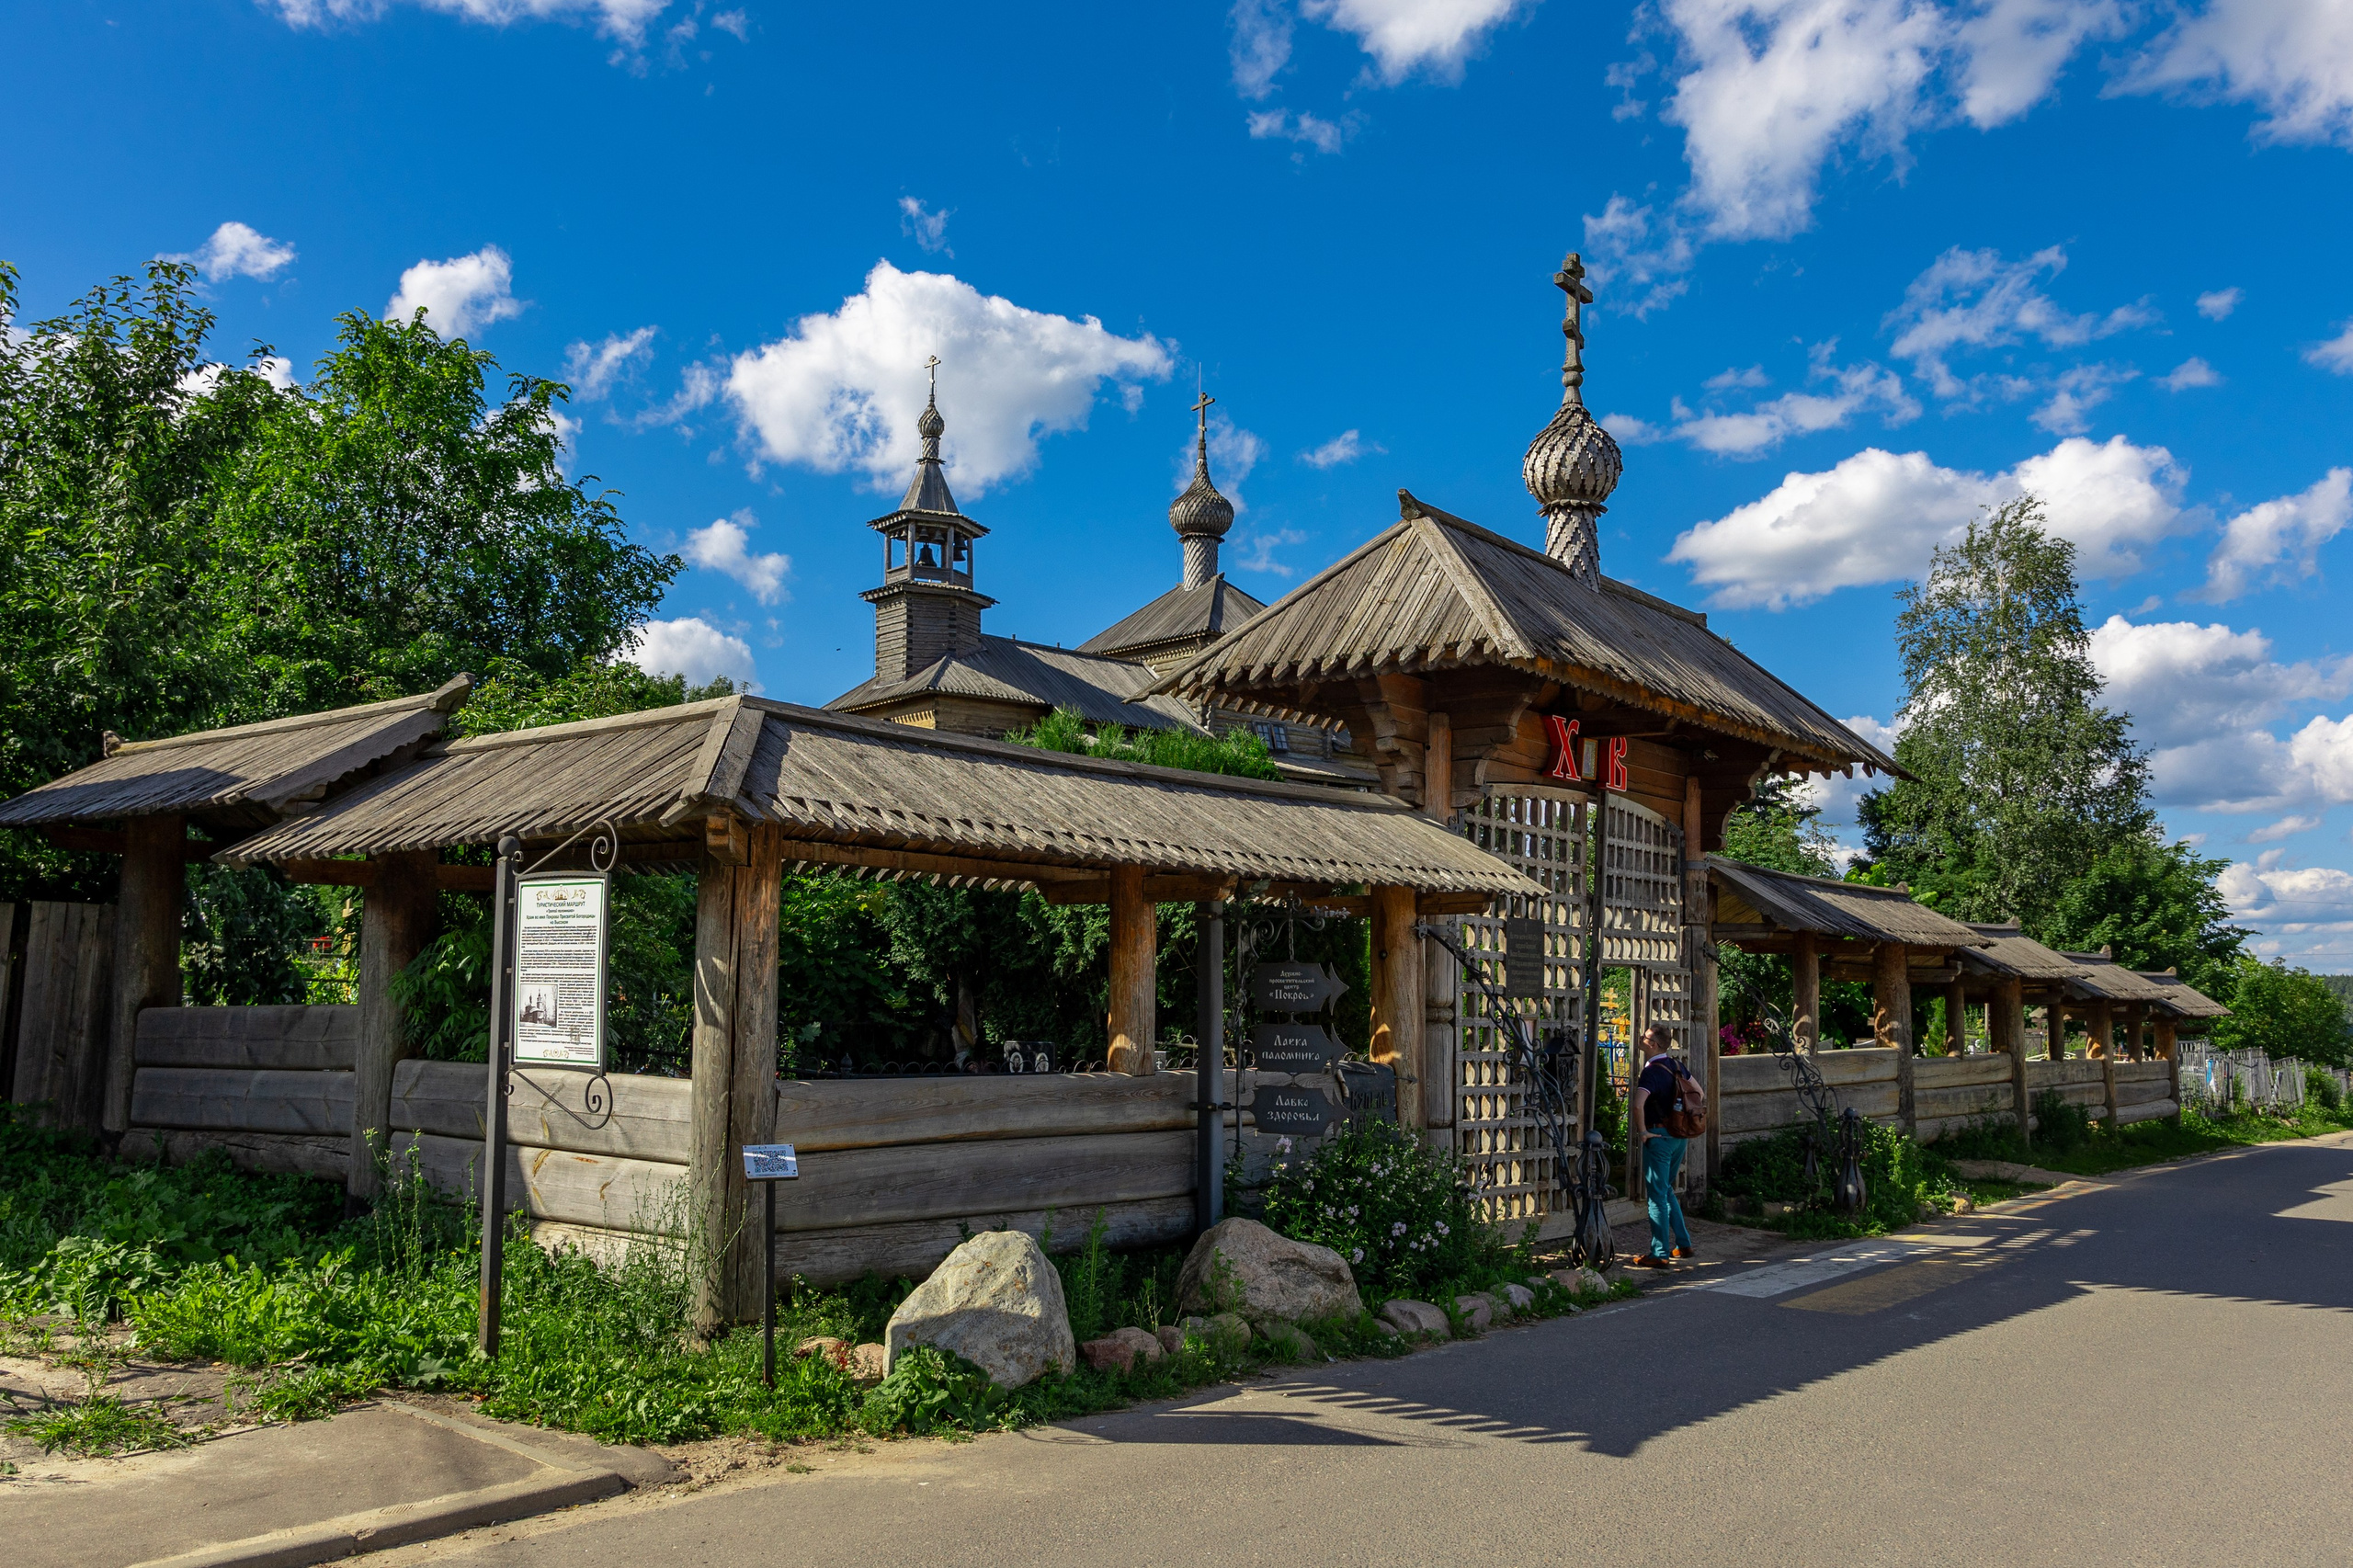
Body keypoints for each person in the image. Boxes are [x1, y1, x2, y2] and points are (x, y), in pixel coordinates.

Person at [1628, 1023, 1695, 1268]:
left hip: (1658, 1136)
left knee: (1656, 1196)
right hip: (1679, 1136)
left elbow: (1637, 1105)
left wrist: (1643, 1132)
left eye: (1644, 1038)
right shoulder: (1677, 1066)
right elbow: (1698, 1093)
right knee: (1666, 1189)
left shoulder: (1651, 1072)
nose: (1641, 1039)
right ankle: (1684, 1244)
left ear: (1653, 1044)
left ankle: (1659, 1254)